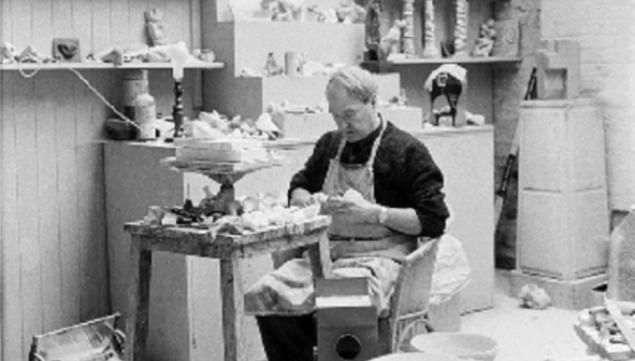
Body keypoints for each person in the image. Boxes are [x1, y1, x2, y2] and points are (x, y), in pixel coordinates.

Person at [244, 65, 449, 361]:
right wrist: (303, 200)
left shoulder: (406, 150)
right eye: (335, 116)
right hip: (329, 254)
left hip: (381, 257)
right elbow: (299, 185)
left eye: (349, 115)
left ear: (373, 103)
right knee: (269, 294)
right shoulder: (330, 144)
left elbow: (433, 220)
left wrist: (375, 213)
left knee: (343, 299)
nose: (342, 125)